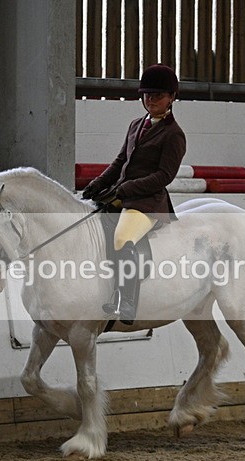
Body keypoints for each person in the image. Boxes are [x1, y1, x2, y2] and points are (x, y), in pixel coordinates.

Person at [81, 64, 186, 325]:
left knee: (122, 237)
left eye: (158, 96)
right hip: (121, 194)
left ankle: (126, 301)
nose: (150, 100)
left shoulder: (174, 135)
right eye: (147, 95)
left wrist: (127, 188)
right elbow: (120, 162)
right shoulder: (135, 125)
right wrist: (97, 183)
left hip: (147, 201)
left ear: (172, 97)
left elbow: (164, 176)